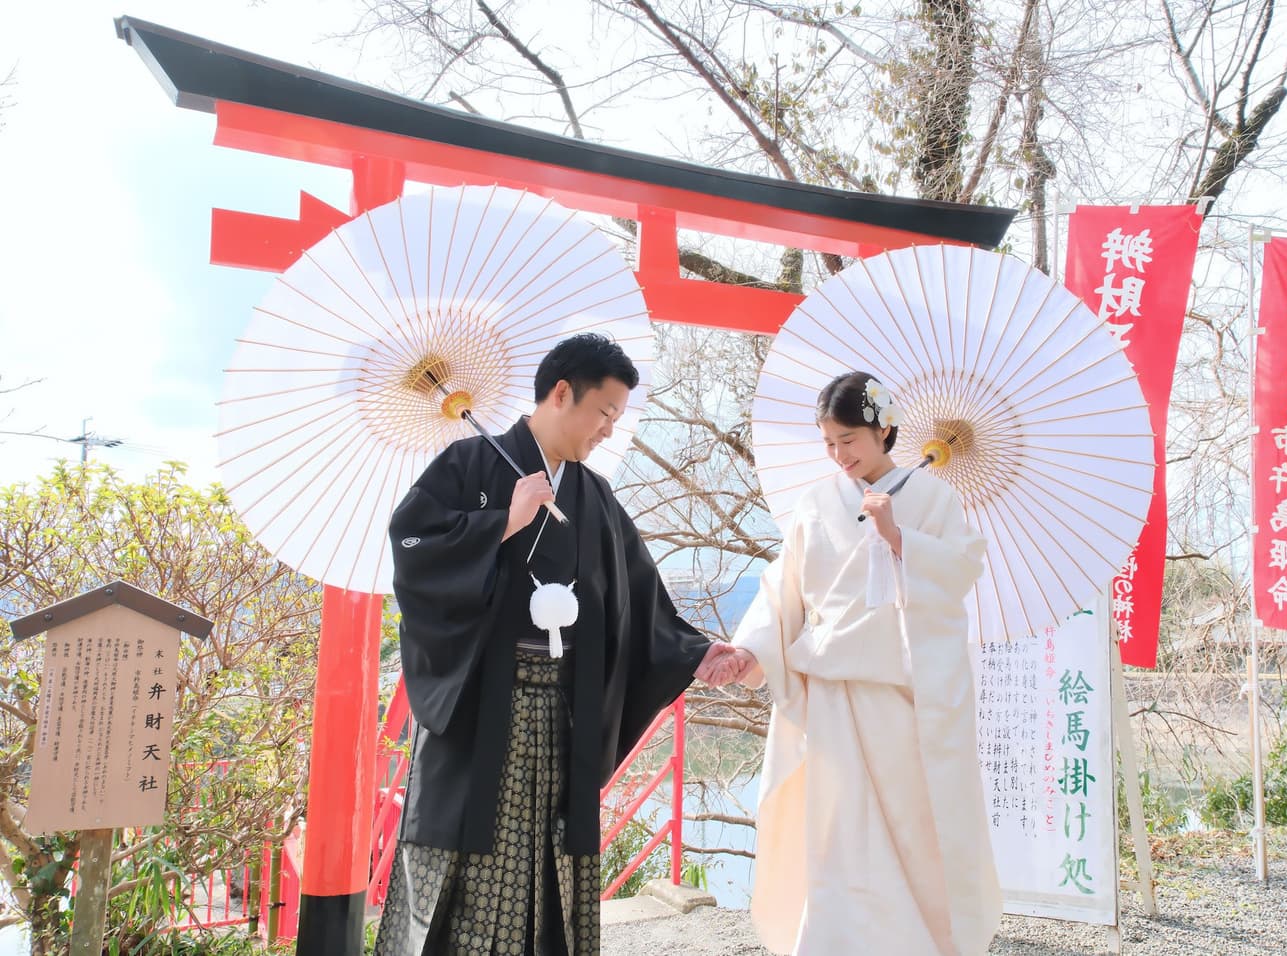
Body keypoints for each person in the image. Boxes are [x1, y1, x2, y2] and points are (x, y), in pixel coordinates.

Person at [375, 333, 740, 955]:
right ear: (562, 393)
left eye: (617, 419)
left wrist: (696, 652)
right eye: (604, 412)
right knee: (466, 888)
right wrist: (502, 523)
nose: (608, 429)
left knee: (554, 888)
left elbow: (640, 591)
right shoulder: (465, 468)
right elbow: (413, 554)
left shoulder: (592, 495)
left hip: (560, 718)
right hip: (478, 715)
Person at [727, 371, 1002, 956]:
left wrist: (901, 539)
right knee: (835, 837)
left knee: (907, 832)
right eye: (828, 442)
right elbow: (785, 589)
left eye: (848, 439)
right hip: (829, 695)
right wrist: (750, 648)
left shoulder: (932, 498)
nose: (838, 455)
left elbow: (959, 576)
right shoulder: (816, 503)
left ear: (883, 430)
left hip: (898, 698)